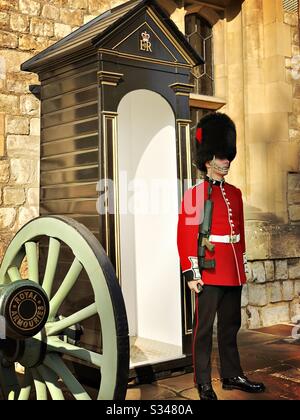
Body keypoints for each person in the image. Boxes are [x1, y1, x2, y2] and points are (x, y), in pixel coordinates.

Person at [177, 112, 266, 400]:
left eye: (228, 155)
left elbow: (238, 234)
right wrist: (192, 273)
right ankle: (203, 381)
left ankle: (232, 375)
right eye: (221, 155)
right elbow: (186, 236)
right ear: (207, 160)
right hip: (209, 269)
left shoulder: (236, 193)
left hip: (231, 269)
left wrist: (242, 265)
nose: (226, 161)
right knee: (204, 331)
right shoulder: (195, 194)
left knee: (230, 326)